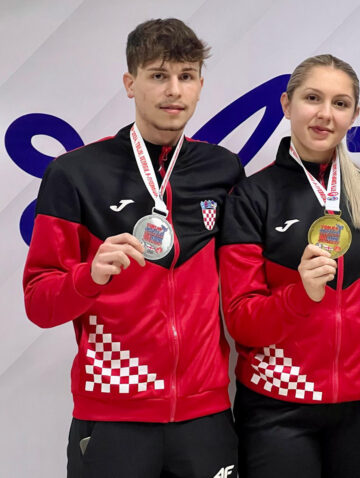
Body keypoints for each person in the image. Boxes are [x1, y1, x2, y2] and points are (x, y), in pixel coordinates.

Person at [22, 18, 242, 478]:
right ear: (130, 83)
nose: (173, 91)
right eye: (158, 75)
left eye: (185, 76)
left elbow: (268, 236)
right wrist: (89, 276)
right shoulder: (75, 173)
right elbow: (39, 303)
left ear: (200, 85)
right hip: (113, 415)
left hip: (204, 415)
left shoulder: (222, 169)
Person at [218, 54, 360, 478]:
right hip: (279, 407)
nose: (324, 114)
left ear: (355, 115)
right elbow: (241, 321)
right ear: (286, 104)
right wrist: (300, 294)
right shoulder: (251, 198)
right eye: (312, 98)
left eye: (340, 103)